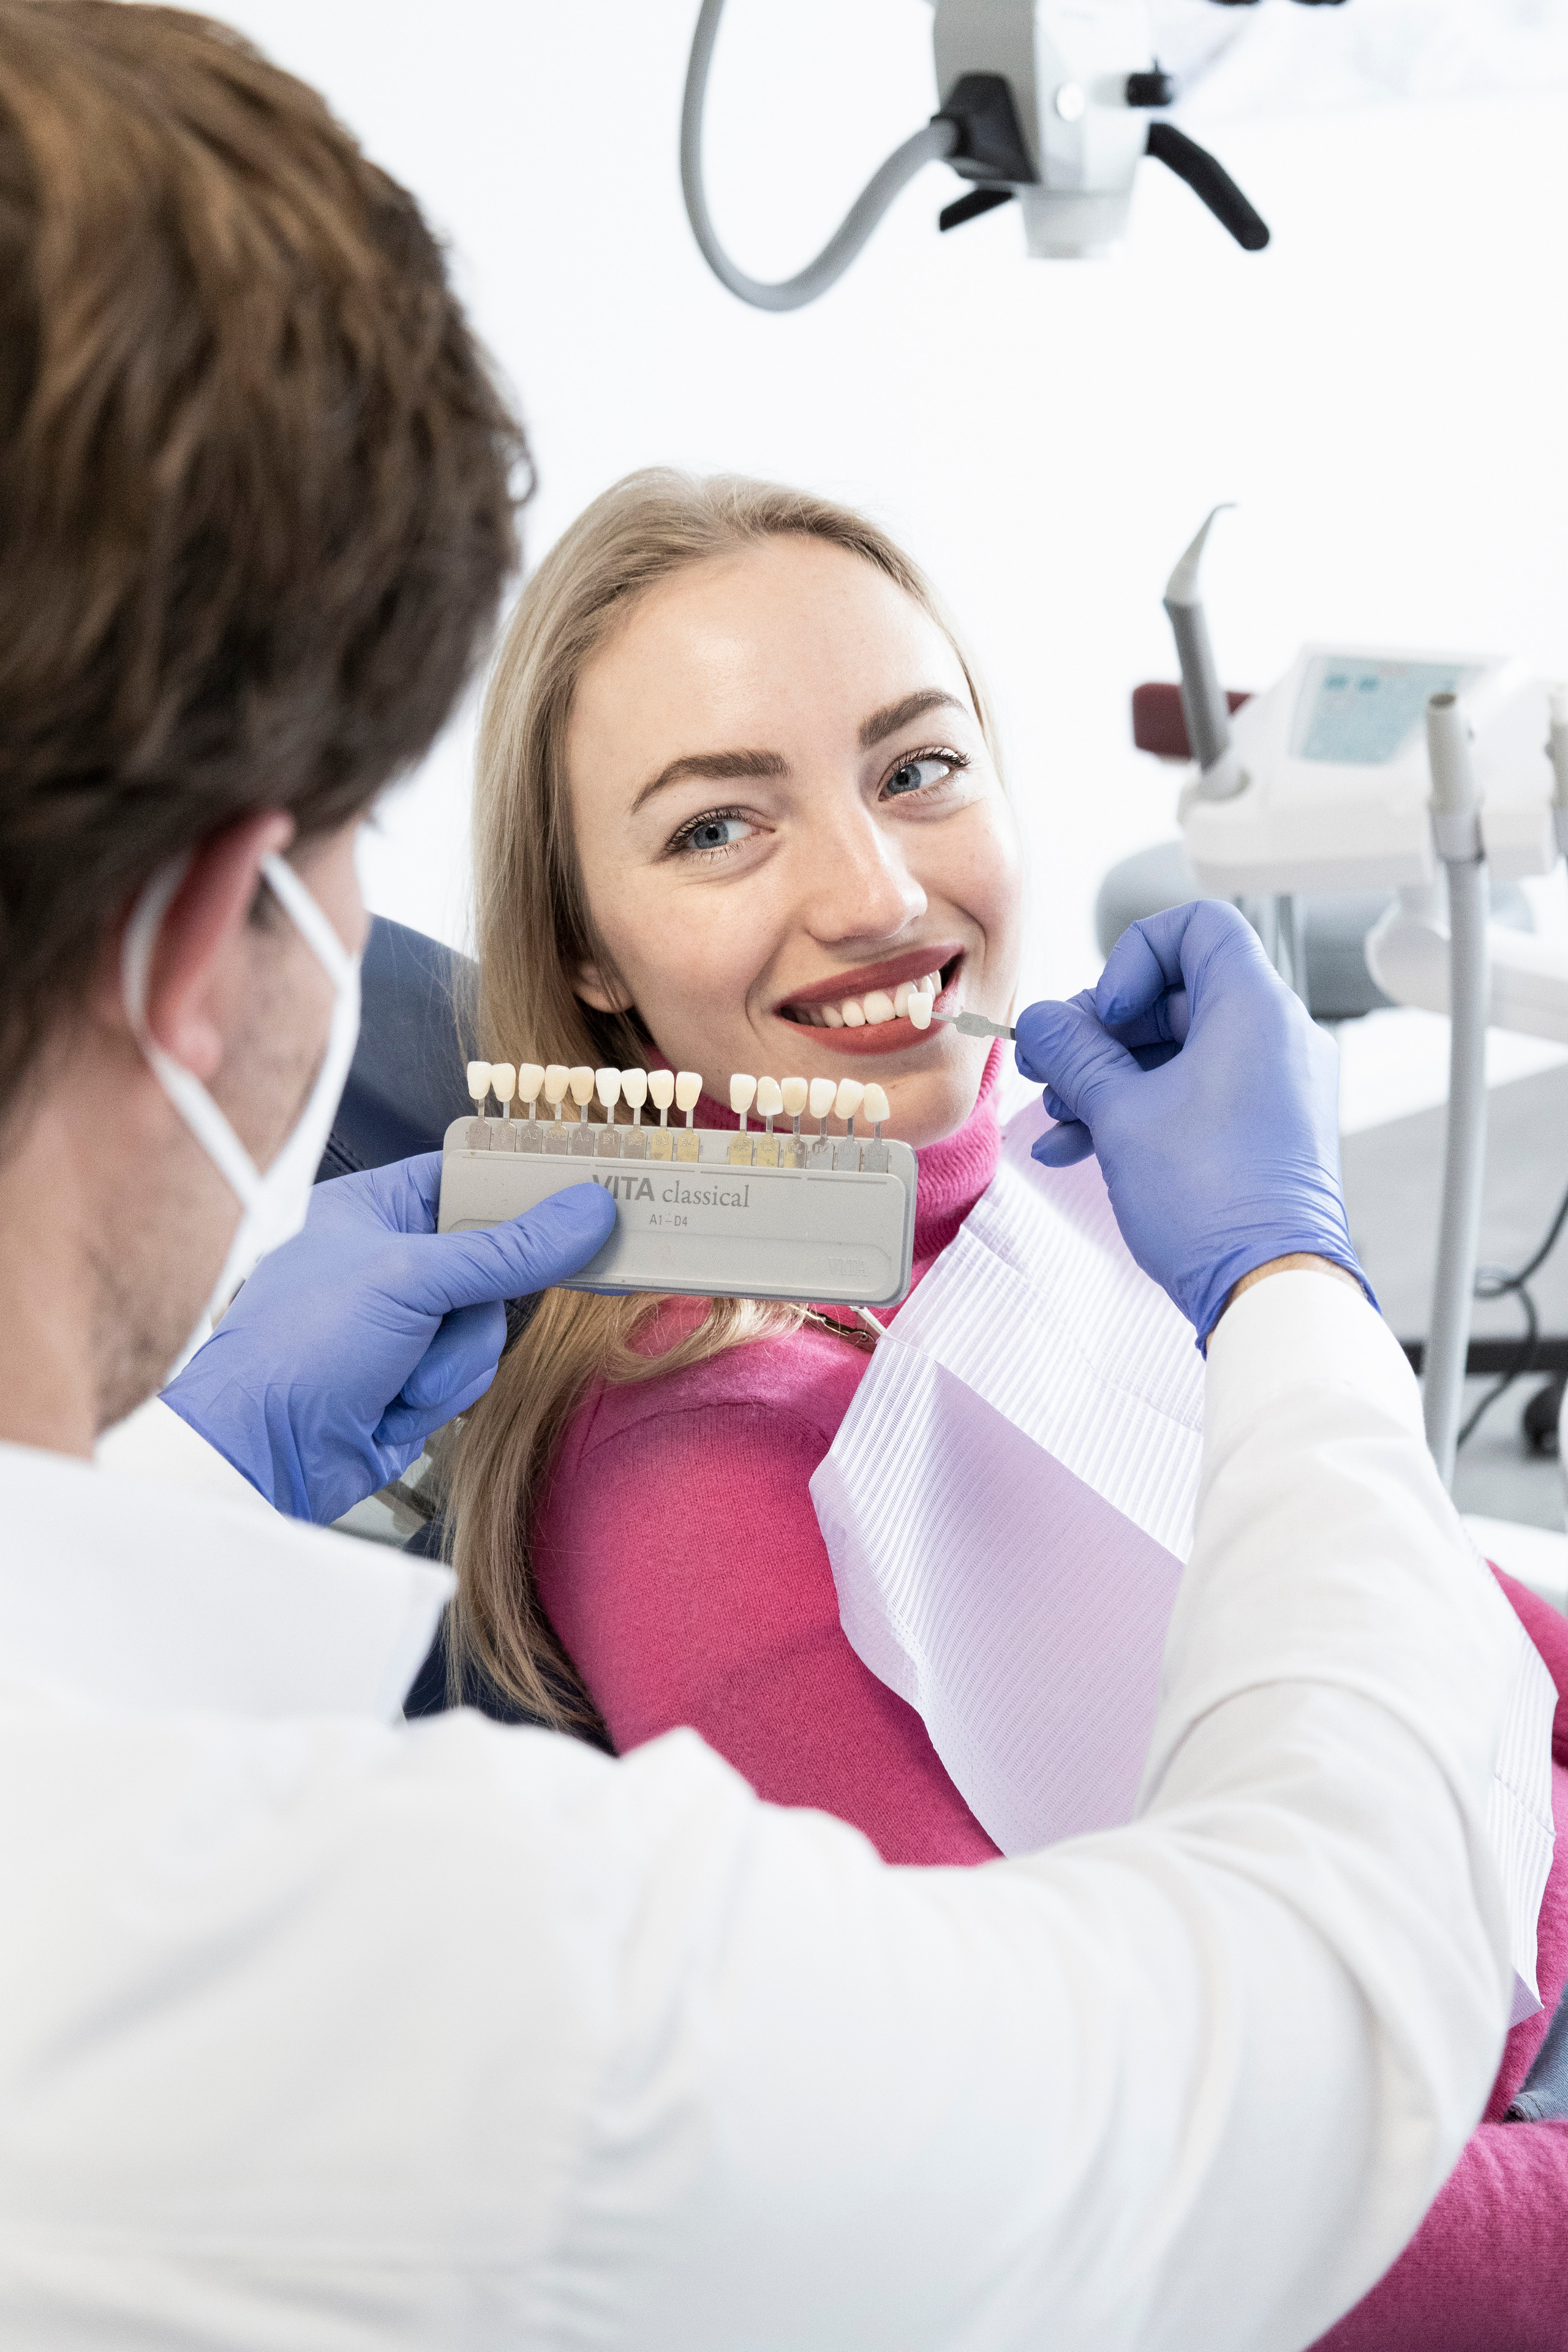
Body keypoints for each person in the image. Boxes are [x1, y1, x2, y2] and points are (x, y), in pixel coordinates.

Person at [0, 7, 1534, 2345]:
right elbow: (1267, 2124)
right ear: (228, 939)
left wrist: (204, 1480)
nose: (873, 893)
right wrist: (1298, 1289)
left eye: (921, 766)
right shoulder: (667, 1542)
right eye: (716, 824)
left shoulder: (1079, 1191)